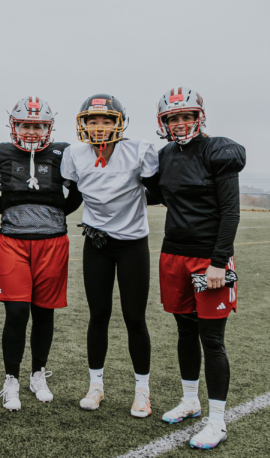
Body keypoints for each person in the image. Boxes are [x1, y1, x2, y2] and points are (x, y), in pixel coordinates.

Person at [142, 87, 245, 449]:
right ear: (164, 122)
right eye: (173, 117)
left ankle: (217, 420)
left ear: (199, 116)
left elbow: (230, 211)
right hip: (174, 253)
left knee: (212, 339)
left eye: (186, 116)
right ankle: (190, 399)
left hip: (207, 257)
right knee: (185, 331)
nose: (180, 123)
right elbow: (152, 195)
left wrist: (219, 261)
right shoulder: (166, 153)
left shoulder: (218, 150)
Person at [60, 94, 158, 417]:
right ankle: (95, 386)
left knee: (134, 318)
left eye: (106, 120)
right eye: (92, 120)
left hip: (132, 245)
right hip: (97, 245)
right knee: (98, 315)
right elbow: (71, 199)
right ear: (83, 124)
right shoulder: (74, 155)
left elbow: (157, 190)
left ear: (119, 123)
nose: (99, 127)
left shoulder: (138, 152)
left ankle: (142, 391)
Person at [0, 96, 82, 411]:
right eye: (26, 124)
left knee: (43, 313)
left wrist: (56, 215)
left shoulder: (62, 153)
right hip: (13, 241)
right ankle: (11, 377)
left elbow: (76, 193)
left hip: (52, 242)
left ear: (49, 127)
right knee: (16, 314)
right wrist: (10, 212)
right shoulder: (0, 154)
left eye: (38, 126)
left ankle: (38, 373)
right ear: (14, 125)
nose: (32, 131)